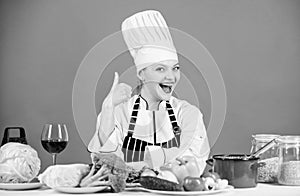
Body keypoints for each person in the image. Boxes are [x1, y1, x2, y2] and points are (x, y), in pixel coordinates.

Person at [88, 10, 210, 172]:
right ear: (141, 74)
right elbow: (104, 160)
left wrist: (133, 165)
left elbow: (194, 162)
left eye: (175, 68)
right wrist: (108, 108)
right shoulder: (119, 112)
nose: (171, 77)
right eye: (160, 69)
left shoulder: (188, 114)